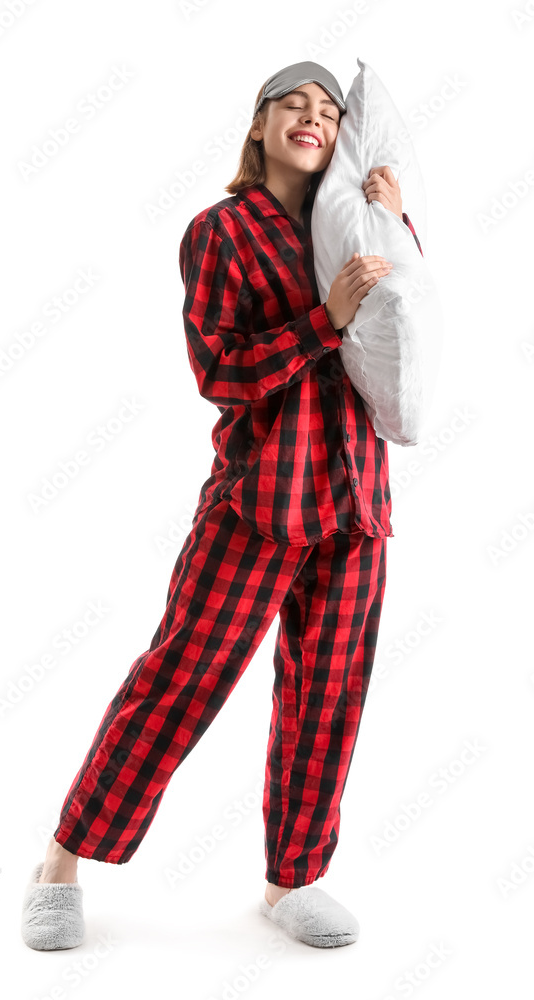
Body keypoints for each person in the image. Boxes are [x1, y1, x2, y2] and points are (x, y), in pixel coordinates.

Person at [21, 60, 423, 951]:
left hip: (357, 501)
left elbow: (408, 332)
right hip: (260, 503)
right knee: (181, 678)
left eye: (329, 109)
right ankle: (61, 859)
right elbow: (221, 374)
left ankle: (292, 880)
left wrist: (395, 223)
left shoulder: (353, 222)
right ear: (260, 126)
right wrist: (323, 320)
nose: (314, 117)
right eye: (295, 104)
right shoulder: (222, 231)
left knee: (328, 695)